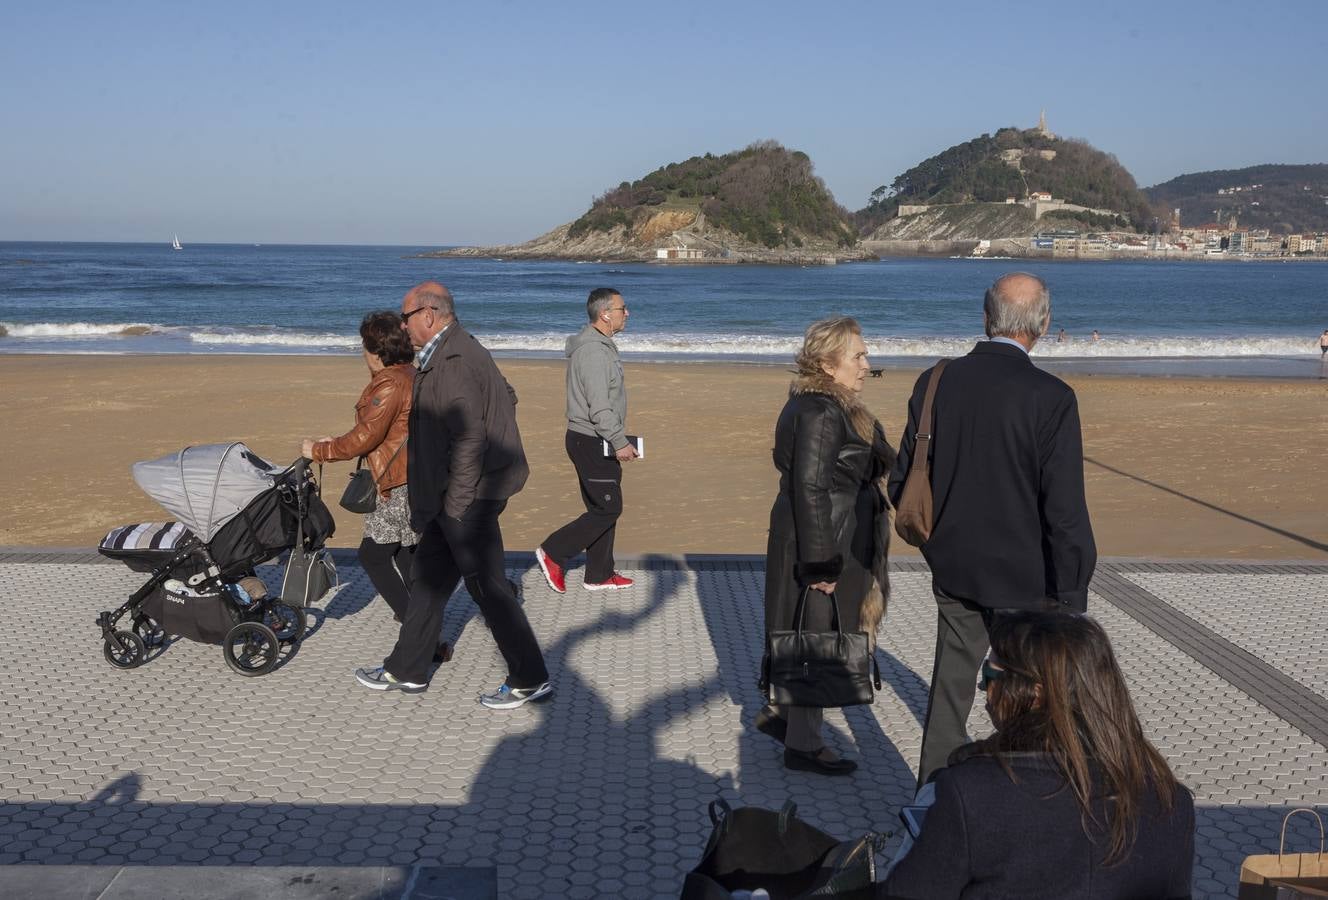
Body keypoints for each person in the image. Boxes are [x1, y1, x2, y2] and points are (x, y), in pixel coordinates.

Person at [888, 273, 1096, 788]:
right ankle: (1027, 801)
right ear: (1043, 326)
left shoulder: (936, 381)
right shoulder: (1052, 397)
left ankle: (931, 802)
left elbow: (903, 479)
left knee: (950, 692)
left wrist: (938, 545)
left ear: (986, 318)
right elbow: (1064, 510)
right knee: (1034, 697)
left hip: (955, 565)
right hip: (1028, 581)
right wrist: (1071, 594)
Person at [879, 611, 1194, 897]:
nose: (982, 689)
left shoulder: (968, 793)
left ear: (1037, 693)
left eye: (989, 676)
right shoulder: (1172, 801)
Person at [354, 281, 551, 709]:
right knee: (427, 583)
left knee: (490, 589)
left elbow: (469, 437)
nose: (402, 327)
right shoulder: (452, 351)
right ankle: (407, 669)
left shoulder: (456, 359)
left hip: (467, 498)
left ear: (428, 314)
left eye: (406, 318)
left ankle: (530, 678)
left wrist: (458, 502)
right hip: (455, 494)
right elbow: (505, 397)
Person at [758, 316, 895, 776]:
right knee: (816, 636)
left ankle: (780, 714)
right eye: (857, 356)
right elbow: (810, 488)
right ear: (826, 363)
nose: (866, 364)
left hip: (825, 533)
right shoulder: (820, 411)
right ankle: (803, 745)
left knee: (804, 630)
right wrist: (821, 566)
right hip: (822, 538)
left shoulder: (827, 405)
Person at [302, 311, 427, 635]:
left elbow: (365, 438)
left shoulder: (389, 383)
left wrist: (318, 450)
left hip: (395, 483)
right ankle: (424, 618)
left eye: (364, 346)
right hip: (412, 476)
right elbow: (384, 431)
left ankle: (417, 629)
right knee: (404, 553)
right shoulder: (411, 374)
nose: (362, 353)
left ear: (376, 351)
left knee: (373, 555)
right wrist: (340, 440)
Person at [535, 287, 638, 594]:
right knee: (607, 509)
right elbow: (599, 407)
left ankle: (599, 574)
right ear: (605, 314)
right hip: (591, 440)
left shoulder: (600, 346)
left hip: (594, 438)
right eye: (622, 308)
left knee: (603, 506)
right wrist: (620, 442)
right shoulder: (593, 352)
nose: (627, 312)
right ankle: (553, 552)